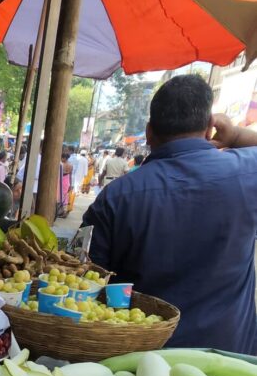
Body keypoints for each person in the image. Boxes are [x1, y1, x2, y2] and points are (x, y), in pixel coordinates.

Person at [82, 74, 257, 353]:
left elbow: (86, 283)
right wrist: (235, 134)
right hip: (232, 364)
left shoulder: (116, 197)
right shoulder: (247, 174)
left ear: (149, 133)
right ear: (210, 128)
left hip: (139, 363)